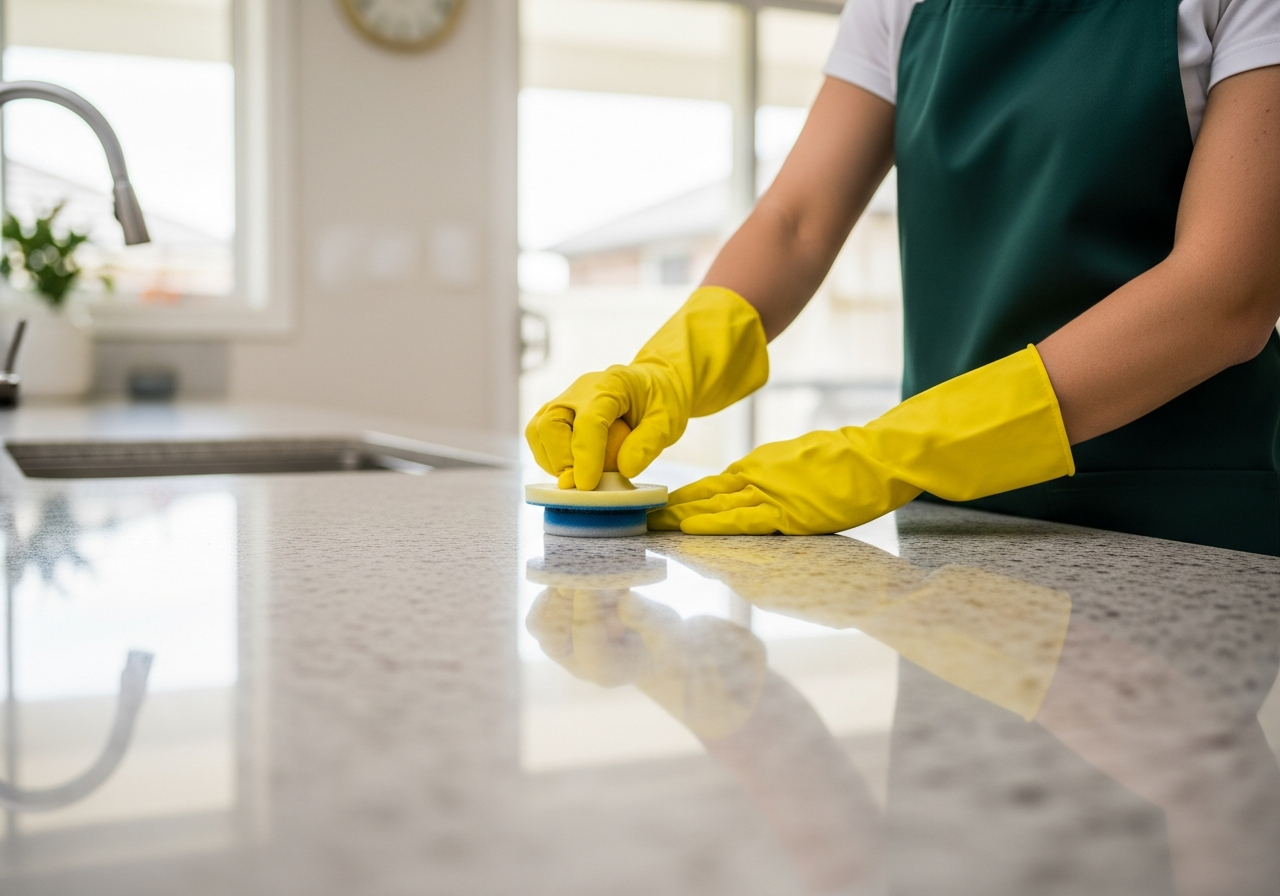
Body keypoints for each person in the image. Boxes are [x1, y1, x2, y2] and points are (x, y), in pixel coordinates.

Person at [525, 0, 1280, 555]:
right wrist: (667, 367)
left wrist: (886, 451)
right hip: (960, 518)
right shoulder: (898, 5)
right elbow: (796, 220)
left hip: (1176, 518)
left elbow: (1225, 292)